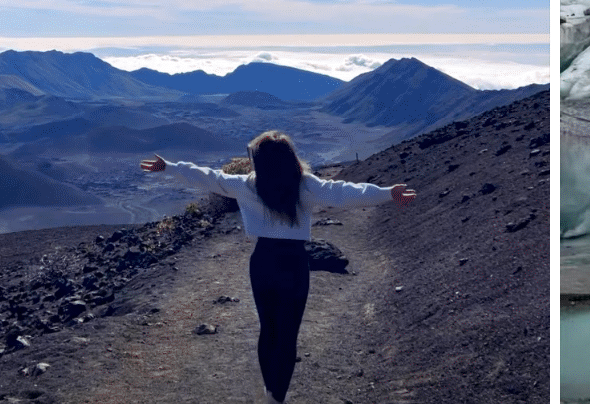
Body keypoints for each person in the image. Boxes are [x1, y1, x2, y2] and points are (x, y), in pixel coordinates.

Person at [140, 131, 415, 404]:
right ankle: (276, 399)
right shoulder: (305, 186)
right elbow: (342, 193)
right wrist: (388, 193)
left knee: (268, 329)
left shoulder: (245, 186)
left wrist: (170, 167)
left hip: (262, 262)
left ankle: (270, 391)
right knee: (287, 334)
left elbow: (211, 178)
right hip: (293, 263)